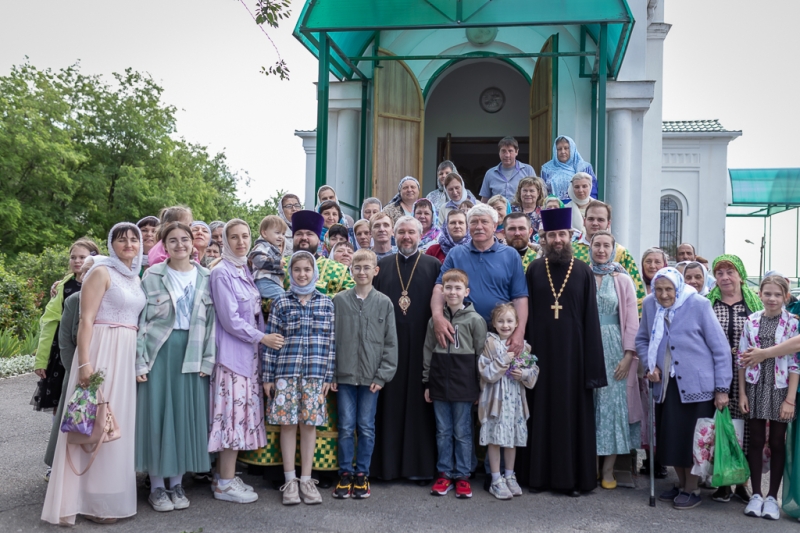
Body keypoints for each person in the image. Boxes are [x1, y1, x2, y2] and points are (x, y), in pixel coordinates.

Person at [42, 222, 145, 526]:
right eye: (121, 239)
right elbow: (85, 321)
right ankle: (81, 499)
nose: (128, 244)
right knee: (91, 421)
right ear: (111, 244)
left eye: (133, 240)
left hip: (125, 354)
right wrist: (84, 363)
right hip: (100, 351)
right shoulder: (101, 273)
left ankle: (106, 496)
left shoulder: (135, 278)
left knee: (114, 424)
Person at [240, 211, 353, 484]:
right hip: (283, 352)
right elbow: (260, 295)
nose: (304, 238)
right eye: (299, 234)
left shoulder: (336, 268)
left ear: (319, 238)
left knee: (312, 422)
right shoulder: (279, 265)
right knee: (286, 420)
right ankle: (282, 472)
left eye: (309, 234)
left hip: (316, 358)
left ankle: (316, 473)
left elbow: (345, 303)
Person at [517, 207, 606, 496]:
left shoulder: (582, 271)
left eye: (562, 234)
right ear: (544, 238)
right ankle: (538, 478)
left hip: (573, 358)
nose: (557, 239)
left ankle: (572, 480)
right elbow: (525, 317)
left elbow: (591, 320)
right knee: (540, 413)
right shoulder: (533, 269)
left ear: (570, 236)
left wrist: (592, 368)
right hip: (540, 356)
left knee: (571, 417)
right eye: (552, 234)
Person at [135, 222, 215, 512]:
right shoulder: (152, 275)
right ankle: (157, 487)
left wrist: (208, 360)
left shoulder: (206, 276)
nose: (180, 244)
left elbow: (212, 326)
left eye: (185, 239)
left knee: (184, 417)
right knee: (157, 417)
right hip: (160, 353)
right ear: (164, 245)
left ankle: (177, 483)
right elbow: (141, 323)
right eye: (173, 240)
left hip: (192, 353)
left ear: (193, 244)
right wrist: (139, 362)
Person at [636, 267, 732, 510]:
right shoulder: (649, 305)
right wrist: (650, 365)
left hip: (697, 385)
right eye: (658, 289)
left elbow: (720, 348)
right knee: (672, 439)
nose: (664, 295)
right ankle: (681, 484)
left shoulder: (698, 305)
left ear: (678, 287)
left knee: (693, 441)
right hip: (666, 385)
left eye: (669, 289)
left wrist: (722, 388)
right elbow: (643, 339)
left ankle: (693, 488)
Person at [371, 216, 441, 481]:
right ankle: (385, 468)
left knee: (420, 408)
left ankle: (419, 469)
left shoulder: (434, 265)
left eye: (411, 232)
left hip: (422, 346)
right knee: (388, 406)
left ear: (421, 234)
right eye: (401, 232)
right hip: (389, 347)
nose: (406, 236)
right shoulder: (383, 266)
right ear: (394, 235)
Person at [263, 251, 335, 506]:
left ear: (314, 271)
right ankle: (290, 480)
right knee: (288, 425)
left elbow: (331, 342)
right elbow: (271, 343)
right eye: (297, 270)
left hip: (315, 375)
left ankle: (306, 478)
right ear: (290, 273)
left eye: (307, 269)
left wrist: (329, 375)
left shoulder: (326, 303)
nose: (302, 274)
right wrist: (267, 377)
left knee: (309, 426)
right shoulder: (281, 303)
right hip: (285, 374)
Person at [208, 219, 271, 504]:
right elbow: (230, 319)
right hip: (232, 357)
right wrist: (262, 337)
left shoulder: (242, 268)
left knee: (240, 416)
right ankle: (224, 484)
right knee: (230, 418)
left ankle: (227, 475)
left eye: (245, 236)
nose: (240, 242)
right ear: (224, 240)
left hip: (248, 356)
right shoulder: (221, 272)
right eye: (233, 237)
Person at [331, 249, 398, 500]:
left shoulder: (384, 302)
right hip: (345, 376)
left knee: (366, 427)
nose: (361, 271)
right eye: (357, 267)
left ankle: (362, 474)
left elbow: (390, 343)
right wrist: (333, 373)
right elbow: (331, 340)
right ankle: (345, 473)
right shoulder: (339, 301)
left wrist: (382, 376)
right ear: (351, 270)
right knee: (346, 426)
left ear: (375, 271)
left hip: (371, 379)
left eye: (366, 267)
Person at [735, 276, 798, 519]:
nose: (772, 299)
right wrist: (742, 392)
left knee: (777, 442)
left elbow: (795, 363)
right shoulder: (751, 321)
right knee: (756, 440)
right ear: (759, 294)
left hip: (781, 389)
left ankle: (773, 497)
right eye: (767, 293)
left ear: (786, 297)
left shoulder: (792, 323)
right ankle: (756, 495)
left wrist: (790, 399)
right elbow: (742, 358)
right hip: (756, 386)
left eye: (777, 295)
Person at [423, 269, 487, 499]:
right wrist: (427, 381)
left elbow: (481, 354)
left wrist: (480, 385)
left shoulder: (475, 320)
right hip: (439, 382)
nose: (452, 292)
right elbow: (428, 351)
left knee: (462, 431)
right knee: (443, 431)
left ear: (466, 292)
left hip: (464, 385)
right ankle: (444, 473)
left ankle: (462, 475)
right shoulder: (435, 321)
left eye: (457, 288)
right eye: (448, 287)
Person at [589, 230, 642, 490]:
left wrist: (628, 355)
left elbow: (632, 319)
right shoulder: (582, 274)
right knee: (589, 405)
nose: (600, 249)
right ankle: (588, 466)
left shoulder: (622, 279)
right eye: (596, 244)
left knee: (611, 407)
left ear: (613, 249)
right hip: (587, 345)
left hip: (614, 347)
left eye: (605, 245)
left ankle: (608, 468)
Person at [707, 254, 762, 503]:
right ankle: (722, 482)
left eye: (730, 271)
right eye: (719, 273)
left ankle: (742, 482)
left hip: (748, 378)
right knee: (720, 427)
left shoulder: (754, 305)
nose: (725, 277)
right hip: (716, 375)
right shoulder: (709, 304)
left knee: (746, 430)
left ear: (740, 274)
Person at [42, 253, 100, 474]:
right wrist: (73, 369)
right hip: (75, 367)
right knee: (71, 418)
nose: (85, 275)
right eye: (83, 271)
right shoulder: (73, 300)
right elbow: (65, 340)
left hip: (102, 367)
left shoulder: (106, 297)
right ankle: (57, 465)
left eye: (90, 270)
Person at [433, 204, 528, 334]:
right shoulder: (455, 254)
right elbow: (440, 287)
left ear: (494, 226)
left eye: (484, 221)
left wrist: (519, 332)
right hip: (462, 331)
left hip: (500, 331)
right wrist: (437, 317)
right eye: (473, 222)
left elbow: (519, 297)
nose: (479, 227)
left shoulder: (511, 255)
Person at [479, 303, 538, 500]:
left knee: (511, 439)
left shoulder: (522, 345)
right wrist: (503, 360)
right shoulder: (490, 344)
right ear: (494, 324)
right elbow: (485, 372)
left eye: (510, 321)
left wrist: (524, 374)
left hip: (514, 402)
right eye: (501, 321)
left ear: (516, 324)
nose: (505, 325)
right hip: (495, 400)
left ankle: (509, 475)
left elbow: (534, 371)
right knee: (495, 439)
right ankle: (495, 479)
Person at [34, 239, 99, 416]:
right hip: (62, 349)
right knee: (59, 397)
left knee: (86, 394)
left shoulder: (100, 284)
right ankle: (59, 438)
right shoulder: (63, 287)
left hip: (90, 346)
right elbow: (49, 324)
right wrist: (41, 359)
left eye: (82, 257)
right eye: (73, 257)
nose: (77, 261)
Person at [571, 201, 646, 311]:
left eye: (600, 219)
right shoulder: (571, 251)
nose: (595, 223)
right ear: (584, 221)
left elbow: (636, 293)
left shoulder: (621, 253)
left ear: (608, 223)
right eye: (591, 219)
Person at [540, 135, 597, 203]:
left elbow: (593, 190)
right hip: (554, 207)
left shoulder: (584, 167)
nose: (563, 151)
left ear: (572, 149)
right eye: (559, 149)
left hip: (580, 206)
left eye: (566, 148)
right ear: (555, 151)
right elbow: (543, 192)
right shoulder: (547, 169)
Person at [479, 137, 536, 202]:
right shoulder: (490, 173)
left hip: (521, 211)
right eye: (503, 151)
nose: (507, 155)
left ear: (516, 152)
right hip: (497, 211)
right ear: (499, 153)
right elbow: (485, 200)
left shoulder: (528, 170)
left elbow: (536, 194)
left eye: (510, 151)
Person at [249, 215, 287, 302]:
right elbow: (258, 259)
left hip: (272, 283)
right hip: (264, 281)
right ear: (264, 233)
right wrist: (277, 263)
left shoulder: (273, 248)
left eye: (283, 234)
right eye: (277, 233)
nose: (281, 236)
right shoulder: (262, 246)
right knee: (285, 300)